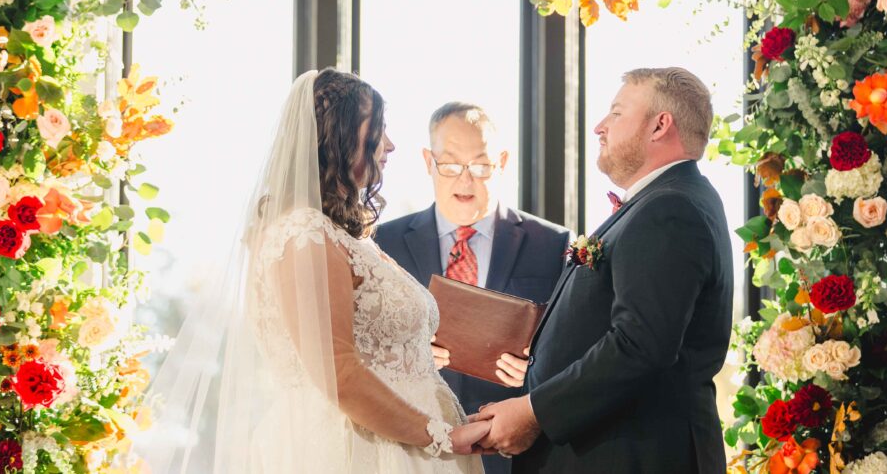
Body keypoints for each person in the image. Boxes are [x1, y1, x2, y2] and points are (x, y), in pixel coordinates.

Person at [143, 70, 488, 474]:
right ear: (339, 137)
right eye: (378, 130)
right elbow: (337, 369)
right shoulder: (304, 235)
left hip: (404, 443)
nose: (390, 145)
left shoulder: (342, 235)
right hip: (365, 451)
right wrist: (439, 434)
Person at [471, 67, 734, 474]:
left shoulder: (670, 209)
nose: (598, 127)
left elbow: (640, 345)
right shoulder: (673, 200)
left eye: (615, 113)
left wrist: (533, 412)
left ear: (660, 125)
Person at [376, 102, 569, 474]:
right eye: (450, 165)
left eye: (480, 166)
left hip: (514, 454)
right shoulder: (386, 242)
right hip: (415, 451)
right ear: (428, 161)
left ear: (502, 162)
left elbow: (574, 351)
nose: (465, 181)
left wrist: (536, 364)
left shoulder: (553, 244)